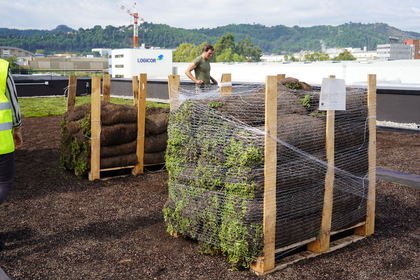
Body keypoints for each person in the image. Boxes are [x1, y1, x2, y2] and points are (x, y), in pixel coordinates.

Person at [0, 58, 23, 207]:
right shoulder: (2, 67)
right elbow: (12, 101)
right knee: (3, 183)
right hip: (2, 141)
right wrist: (17, 128)